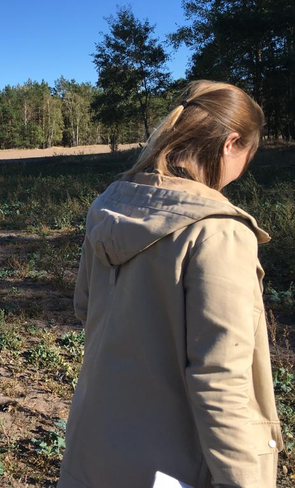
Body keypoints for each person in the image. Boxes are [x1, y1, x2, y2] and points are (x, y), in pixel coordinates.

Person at [58, 80, 283, 488]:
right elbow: (220, 380)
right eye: (249, 153)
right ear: (231, 143)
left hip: (95, 443)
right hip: (171, 465)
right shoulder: (220, 233)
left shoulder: (108, 205)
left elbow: (85, 307)